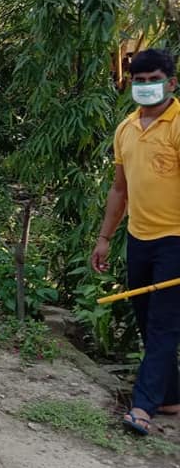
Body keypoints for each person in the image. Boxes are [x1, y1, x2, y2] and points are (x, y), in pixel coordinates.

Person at [92, 48, 180, 436]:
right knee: (146, 319)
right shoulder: (125, 128)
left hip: (175, 240)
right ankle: (171, 396)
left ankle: (143, 405)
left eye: (153, 80)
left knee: (163, 323)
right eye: (139, 81)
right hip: (138, 237)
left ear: (171, 83)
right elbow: (119, 189)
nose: (145, 87)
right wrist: (104, 238)